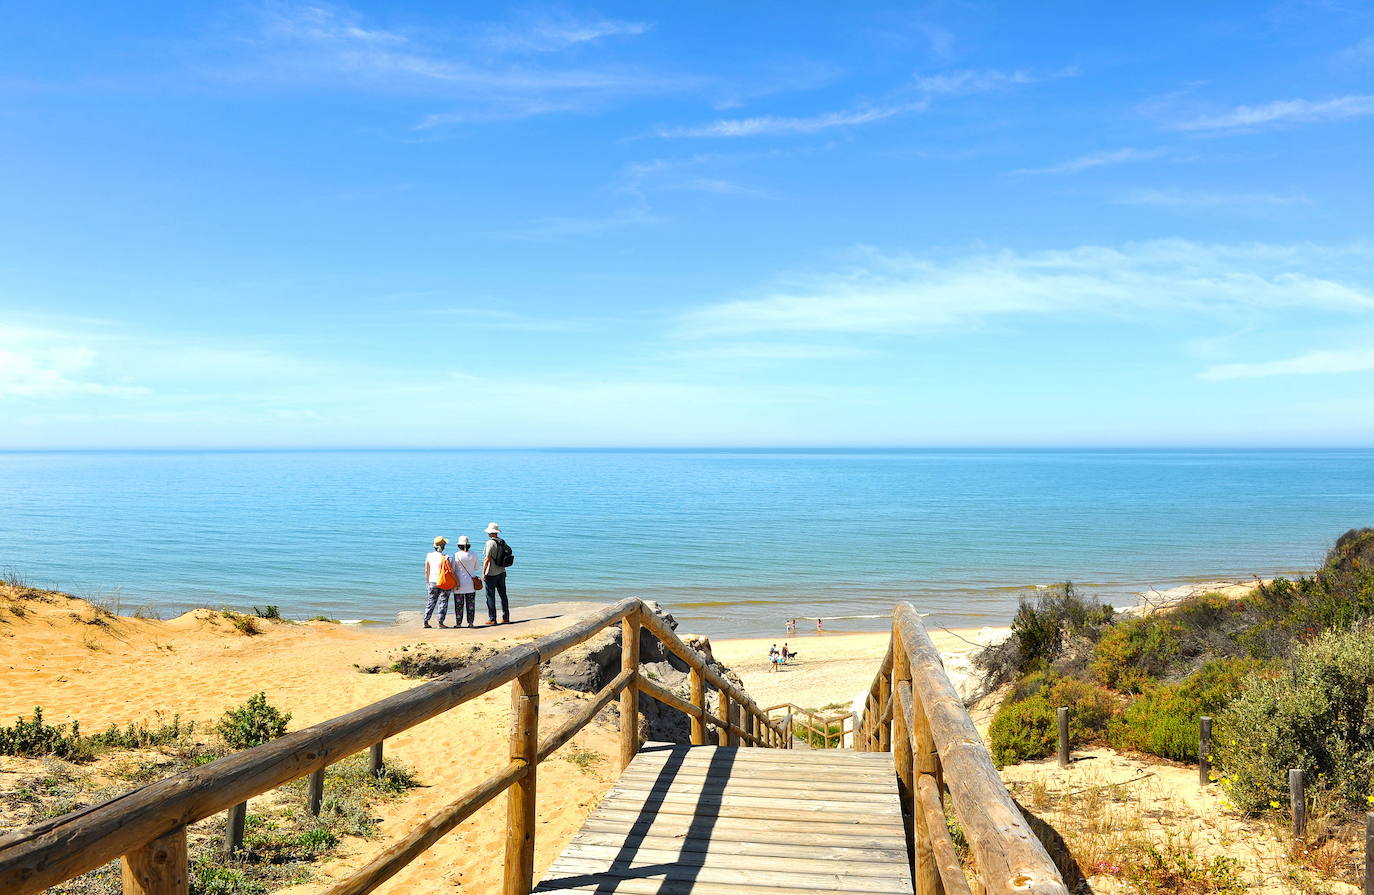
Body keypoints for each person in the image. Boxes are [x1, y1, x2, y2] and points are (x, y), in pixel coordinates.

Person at [482, 522, 512, 625]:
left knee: (490, 596)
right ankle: (506, 617)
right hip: (502, 571)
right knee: (503, 595)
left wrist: (484, 573)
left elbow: (487, 559)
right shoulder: (502, 541)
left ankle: (492, 619)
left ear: (490, 533)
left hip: (492, 573)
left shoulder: (490, 543)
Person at [423, 536, 455, 629]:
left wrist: (427, 582)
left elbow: (426, 570)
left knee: (431, 602)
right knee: (443, 602)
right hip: (444, 582)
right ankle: (440, 623)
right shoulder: (445, 557)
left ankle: (425, 621)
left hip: (432, 582)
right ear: (443, 547)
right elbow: (450, 571)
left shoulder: (429, 555)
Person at [451, 535, 481, 628]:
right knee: (471, 604)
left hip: (459, 583)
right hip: (471, 583)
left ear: (459, 545)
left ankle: (459, 623)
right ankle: (470, 623)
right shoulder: (474, 554)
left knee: (459, 605)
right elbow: (477, 568)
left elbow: (452, 569)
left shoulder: (456, 555)